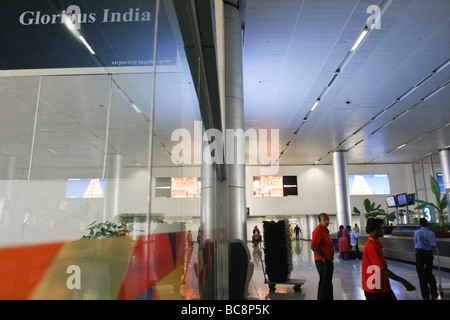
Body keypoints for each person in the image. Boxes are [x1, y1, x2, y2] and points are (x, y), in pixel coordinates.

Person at [362, 218, 416, 300]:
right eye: (382, 228)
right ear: (376, 229)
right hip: (375, 288)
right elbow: (382, 269)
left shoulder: (374, 244)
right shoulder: (372, 246)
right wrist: (403, 281)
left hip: (378, 286)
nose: (384, 230)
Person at [311, 213, 335, 300]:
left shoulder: (325, 230)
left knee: (328, 282)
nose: (327, 221)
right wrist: (323, 258)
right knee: (324, 283)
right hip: (323, 261)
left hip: (328, 260)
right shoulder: (318, 231)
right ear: (319, 221)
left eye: (327, 219)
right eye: (324, 220)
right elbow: (313, 246)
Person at [414, 218, 438, 300]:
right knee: (429, 273)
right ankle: (434, 293)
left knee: (421, 275)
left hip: (419, 254)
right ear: (427, 224)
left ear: (420, 224)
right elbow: (433, 245)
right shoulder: (431, 233)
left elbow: (415, 243)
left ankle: (425, 296)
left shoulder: (416, 232)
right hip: (428, 254)